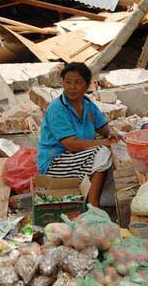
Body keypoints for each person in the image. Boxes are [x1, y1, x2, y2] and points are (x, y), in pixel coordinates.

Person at [37, 62, 119, 207]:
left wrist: (112, 134)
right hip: (56, 162)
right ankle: (93, 206)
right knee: (102, 152)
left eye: (77, 82)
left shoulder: (87, 104)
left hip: (77, 159)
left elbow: (103, 126)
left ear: (87, 85)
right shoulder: (57, 108)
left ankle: (92, 197)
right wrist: (103, 143)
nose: (71, 87)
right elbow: (71, 145)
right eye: (67, 82)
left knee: (119, 151)